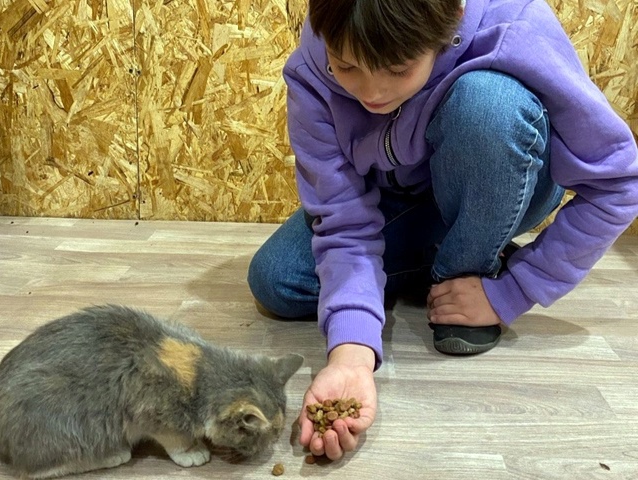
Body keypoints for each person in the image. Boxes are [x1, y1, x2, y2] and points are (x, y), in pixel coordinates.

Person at [248, 0, 638, 461]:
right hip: (400, 199)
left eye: (397, 68)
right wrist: (351, 355)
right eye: (346, 67)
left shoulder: (517, 25)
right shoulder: (312, 66)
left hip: (502, 172)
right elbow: (343, 219)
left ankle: (466, 267)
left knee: (488, 104)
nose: (371, 94)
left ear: (449, 21)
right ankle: (440, 261)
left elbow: (617, 184)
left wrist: (513, 291)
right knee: (276, 279)